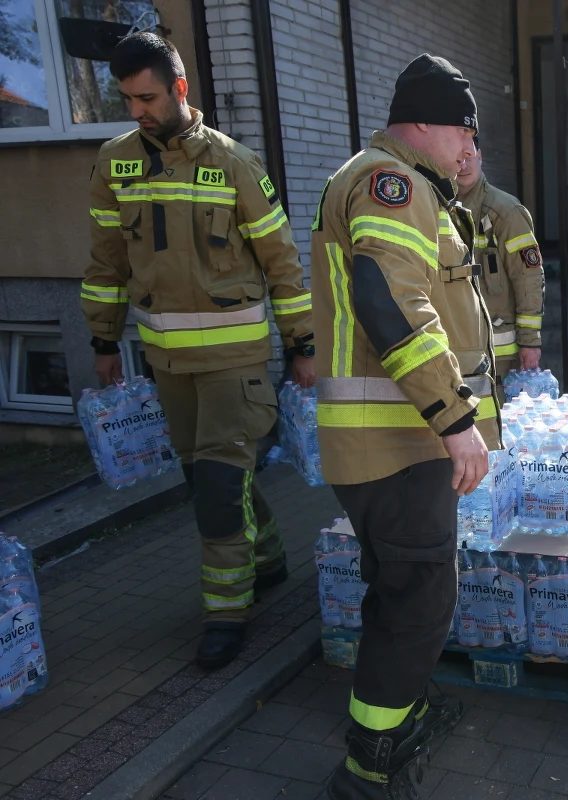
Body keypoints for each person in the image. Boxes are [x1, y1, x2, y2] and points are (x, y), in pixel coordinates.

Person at [80, 32, 315, 671]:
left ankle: (226, 613)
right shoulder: (114, 165)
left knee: (216, 488)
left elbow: (284, 266)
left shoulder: (234, 164)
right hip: (167, 366)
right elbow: (106, 263)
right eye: (127, 99)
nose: (137, 111)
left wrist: (302, 347)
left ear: (180, 89)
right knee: (209, 482)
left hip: (234, 365)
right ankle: (266, 560)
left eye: (148, 97)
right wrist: (103, 338)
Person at [310, 54, 500, 800]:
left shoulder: (406, 185)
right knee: (418, 602)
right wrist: (455, 421)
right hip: (399, 445)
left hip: (398, 443)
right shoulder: (389, 186)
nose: (470, 151)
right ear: (422, 122)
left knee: (401, 594)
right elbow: (389, 299)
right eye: (464, 133)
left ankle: (398, 716)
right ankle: (371, 765)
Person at [456, 138, 544, 378]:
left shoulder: (506, 212)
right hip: (454, 352)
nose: (464, 165)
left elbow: (528, 278)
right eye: (459, 158)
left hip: (500, 358)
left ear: (480, 156)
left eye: (469, 156)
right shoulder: (437, 208)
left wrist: (530, 342)